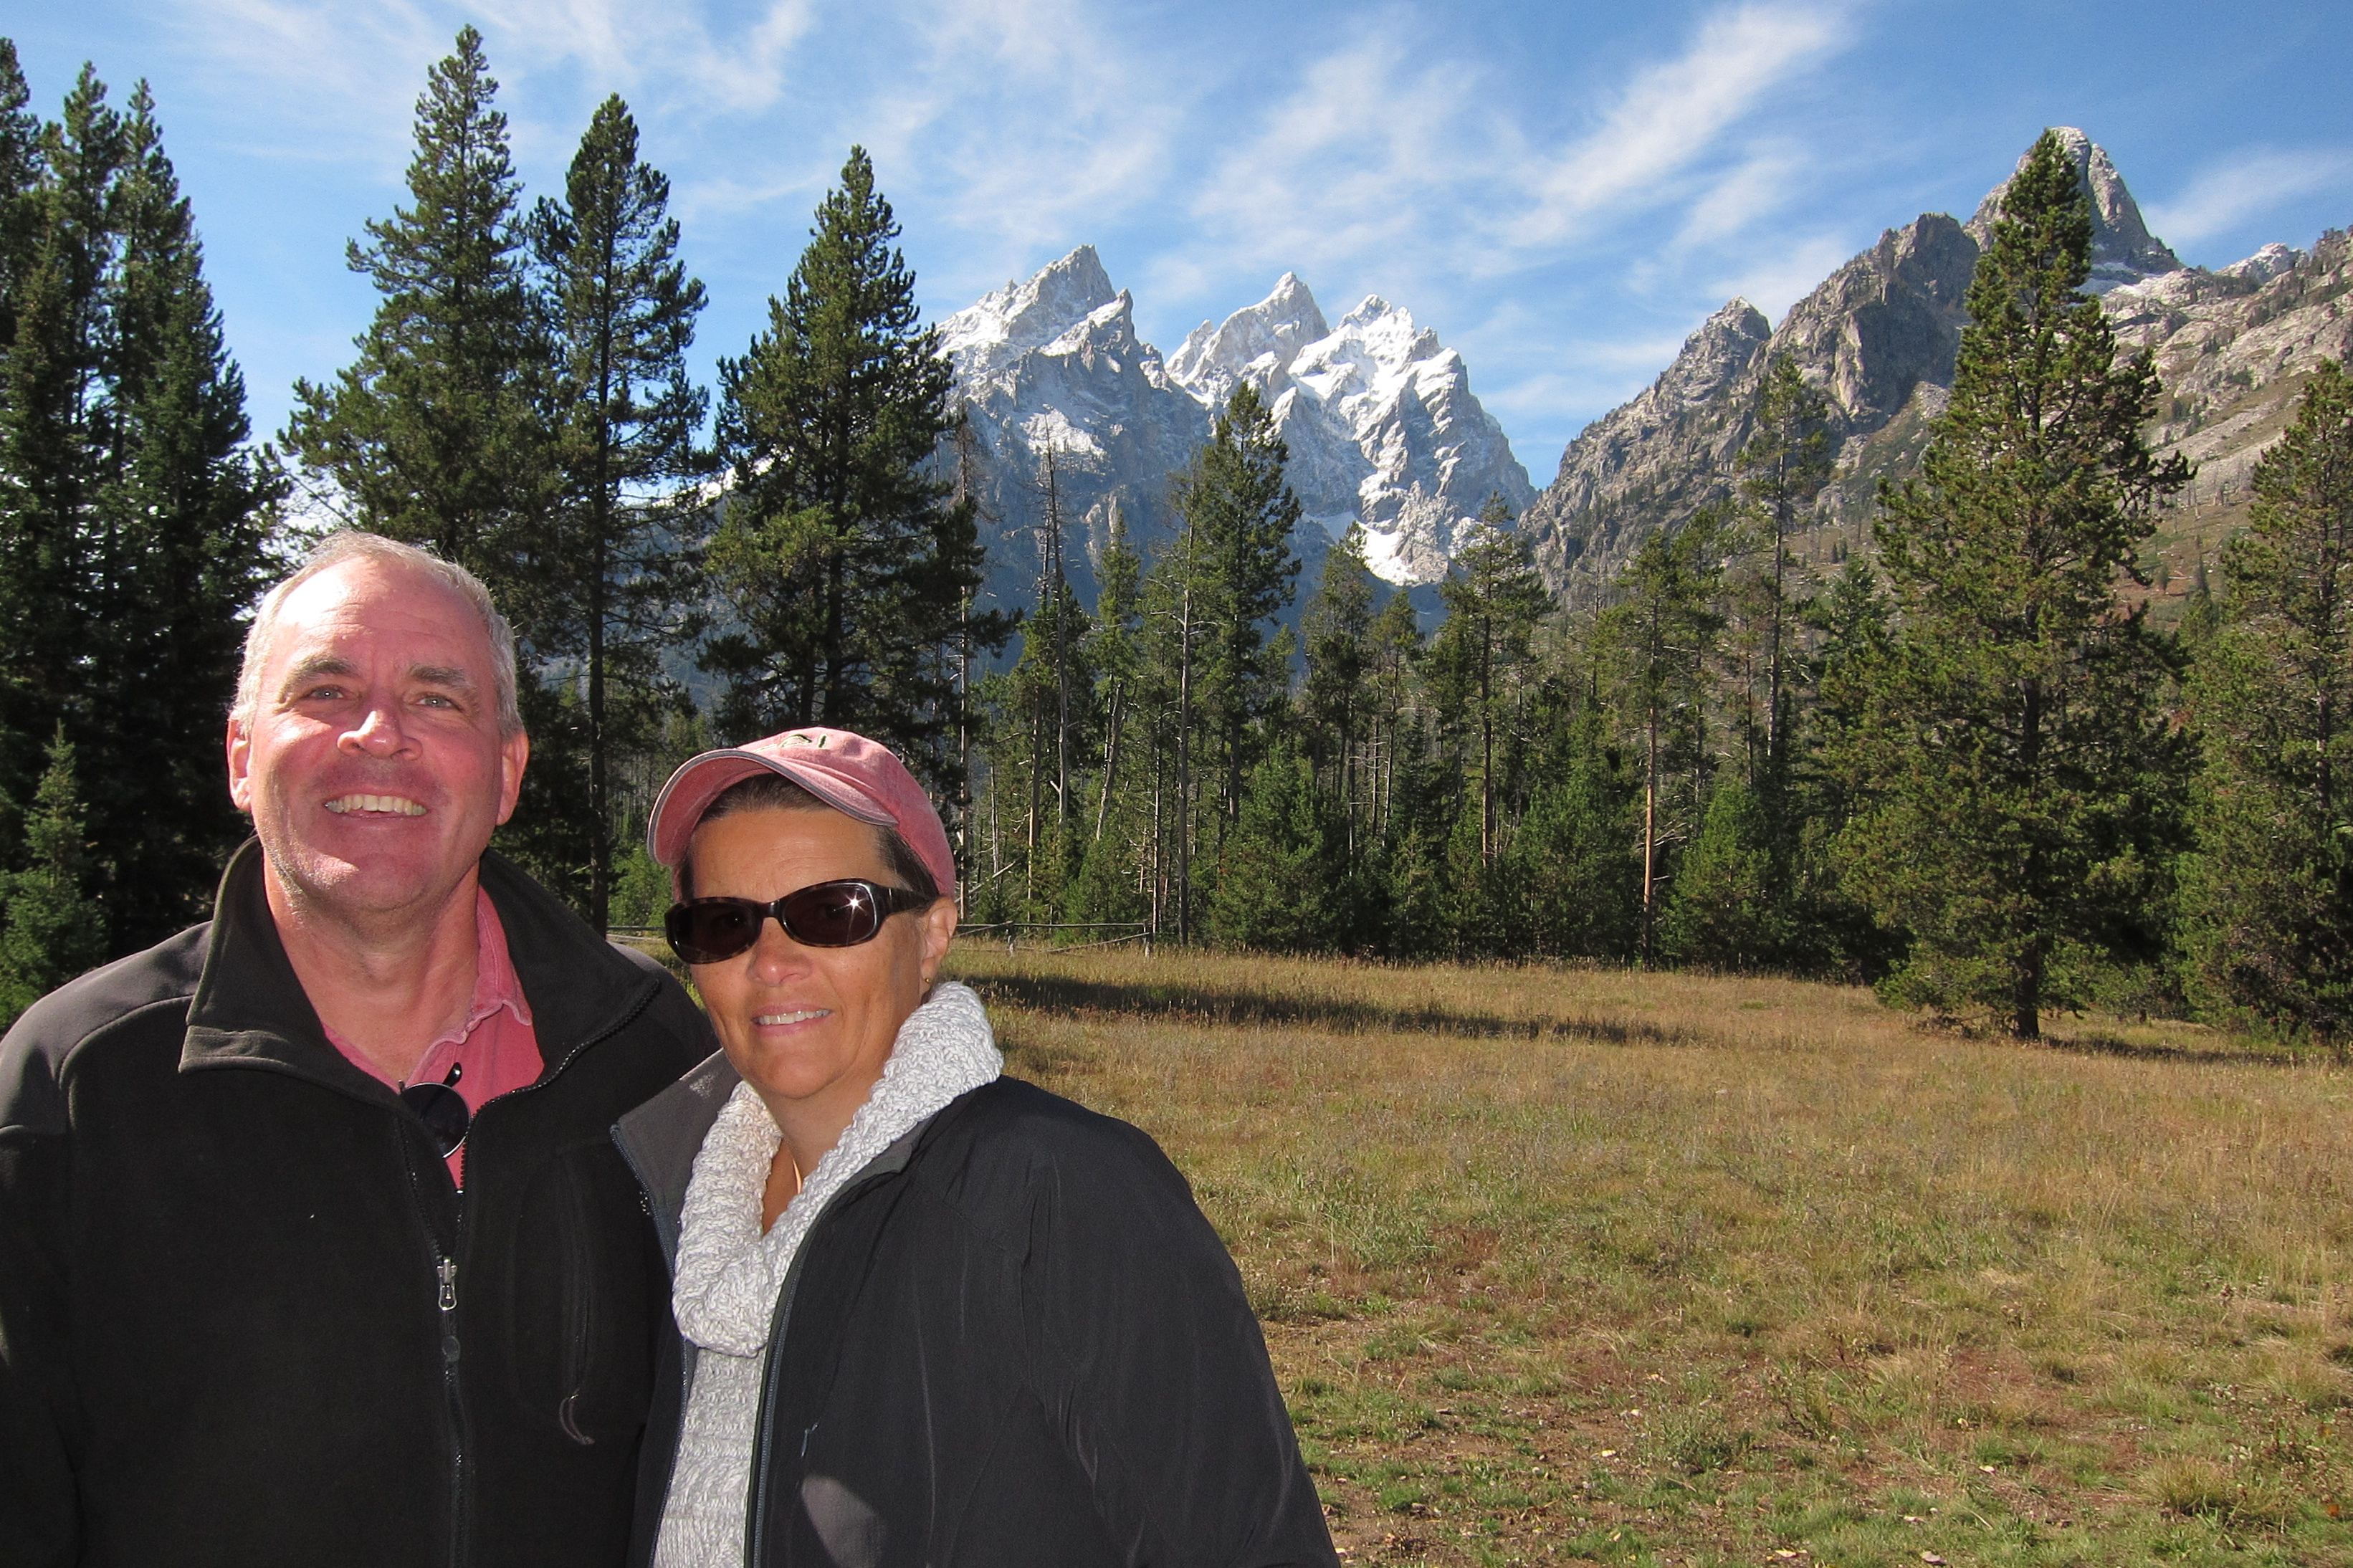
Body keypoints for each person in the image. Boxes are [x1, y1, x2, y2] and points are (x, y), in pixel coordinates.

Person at [0, 532, 716, 1567]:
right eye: (326, 691)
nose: (379, 735)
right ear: (241, 754)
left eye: (437, 699)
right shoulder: (73, 1089)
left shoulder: (652, 1054)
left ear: (506, 771)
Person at [616, 727, 1339, 1568]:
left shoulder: (1062, 1196)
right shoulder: (677, 1207)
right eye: (725, 922)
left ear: (930, 937)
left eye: (829, 913)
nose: (771, 961)